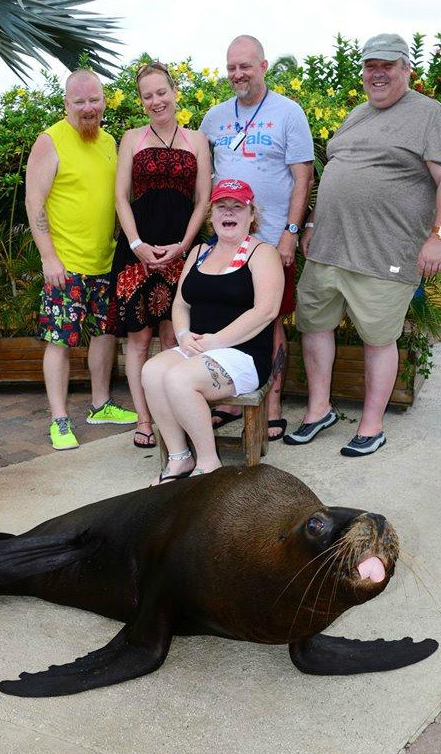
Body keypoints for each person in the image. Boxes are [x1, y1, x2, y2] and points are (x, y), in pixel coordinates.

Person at [286, 33, 441, 456]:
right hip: (328, 248)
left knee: (378, 338)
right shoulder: (356, 114)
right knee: (314, 328)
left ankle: (371, 424)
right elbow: (336, 171)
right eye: (370, 66)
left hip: (383, 252)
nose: (377, 73)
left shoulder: (430, 115)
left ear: (407, 69)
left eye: (387, 65)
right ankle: (318, 411)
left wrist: (439, 238)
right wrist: (311, 221)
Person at [200, 34, 314, 441]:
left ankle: (274, 404)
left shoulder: (289, 113)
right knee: (226, 316)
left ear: (263, 66)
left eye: (245, 66)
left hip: (270, 243)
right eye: (231, 67)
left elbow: (303, 177)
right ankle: (230, 400)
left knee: (273, 320)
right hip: (226, 243)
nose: (237, 74)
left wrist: (290, 232)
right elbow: (205, 179)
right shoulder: (214, 118)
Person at [141, 179, 283, 483]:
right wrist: (182, 336)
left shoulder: (263, 253)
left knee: (180, 379)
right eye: (222, 206)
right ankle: (179, 459)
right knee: (151, 372)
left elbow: (266, 311)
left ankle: (208, 466)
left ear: (251, 214)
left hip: (242, 354)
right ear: (212, 214)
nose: (228, 213)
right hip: (200, 347)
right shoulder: (199, 252)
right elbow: (180, 304)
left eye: (237, 206)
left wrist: (217, 341)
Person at [25, 69, 137, 451]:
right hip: (65, 264)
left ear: (104, 101)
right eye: (80, 102)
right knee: (59, 340)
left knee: (104, 336)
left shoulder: (109, 141)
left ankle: (100, 405)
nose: (88, 108)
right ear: (66, 104)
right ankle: (59, 419)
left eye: (94, 100)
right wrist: (48, 258)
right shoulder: (50, 141)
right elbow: (34, 203)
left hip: (105, 262)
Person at [106, 62, 211, 449]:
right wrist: (137, 245)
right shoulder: (131, 137)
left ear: (174, 91)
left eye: (161, 92)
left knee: (174, 338)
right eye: (147, 95)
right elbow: (121, 197)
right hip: (138, 252)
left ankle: (174, 418)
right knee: (137, 340)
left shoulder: (197, 139)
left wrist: (184, 245)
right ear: (141, 101)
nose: (156, 101)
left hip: (182, 251)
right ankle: (145, 419)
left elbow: (203, 200)